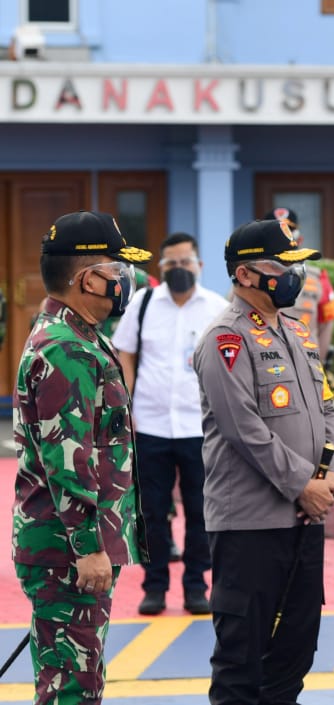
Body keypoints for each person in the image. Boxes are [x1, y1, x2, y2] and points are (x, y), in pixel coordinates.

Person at [194, 217, 334, 705]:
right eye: (284, 266)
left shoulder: (297, 331)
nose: (295, 276)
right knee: (242, 659)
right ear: (244, 274)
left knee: (295, 652)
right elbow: (244, 430)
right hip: (250, 525)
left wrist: (331, 474)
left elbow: (327, 408)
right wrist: (304, 483)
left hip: (305, 516)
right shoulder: (224, 339)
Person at [12, 210, 151, 704]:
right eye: (117, 272)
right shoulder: (65, 349)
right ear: (88, 279)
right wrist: (90, 545)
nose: (125, 282)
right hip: (67, 551)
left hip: (69, 547)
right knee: (72, 689)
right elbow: (68, 459)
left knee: (76, 679)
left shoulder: (82, 339)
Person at [112, 232, 229, 616]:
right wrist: (126, 403)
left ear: (199, 265)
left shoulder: (216, 307)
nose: (179, 269)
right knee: (151, 512)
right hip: (149, 425)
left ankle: (197, 586)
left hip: (200, 427)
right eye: (171, 264)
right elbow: (124, 354)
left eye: (186, 262)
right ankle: (155, 586)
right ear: (161, 268)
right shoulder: (142, 304)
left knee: (201, 511)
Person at [262, 207, 334, 360]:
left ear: (299, 240)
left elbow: (327, 323)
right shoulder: (248, 276)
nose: (282, 238)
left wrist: (318, 365)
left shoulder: (319, 278)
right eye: (275, 233)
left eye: (288, 231)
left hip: (306, 364)